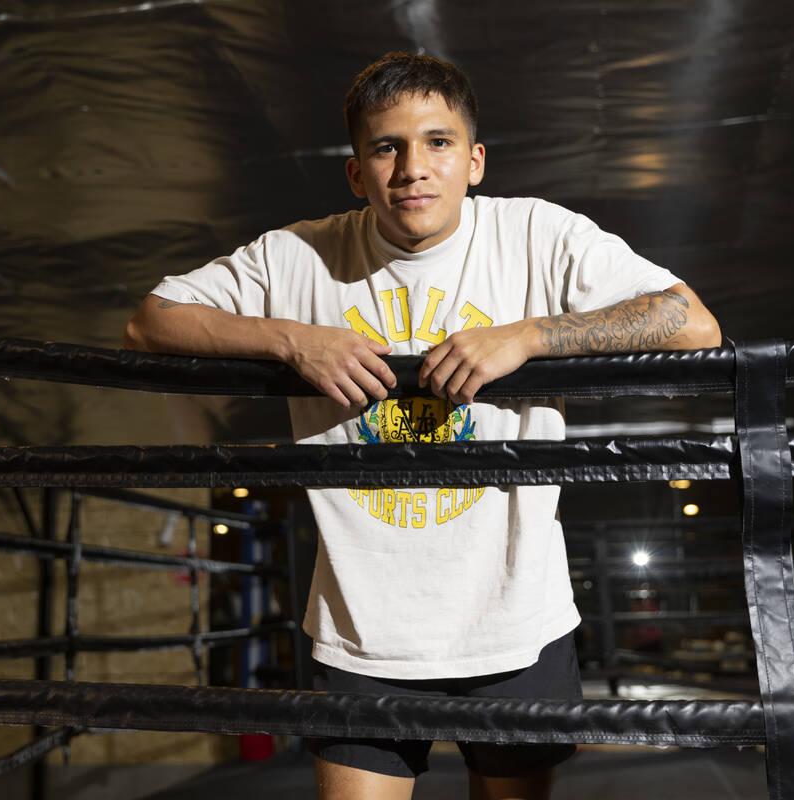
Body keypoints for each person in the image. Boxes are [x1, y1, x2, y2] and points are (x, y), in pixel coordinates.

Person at [124, 52, 720, 800]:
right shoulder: (299, 256)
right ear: (356, 172)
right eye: (387, 147)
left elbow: (691, 323)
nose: (413, 168)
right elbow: (150, 323)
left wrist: (529, 336)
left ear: (473, 161)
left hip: (513, 621)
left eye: (437, 143)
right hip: (363, 630)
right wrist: (290, 339)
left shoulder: (534, 234)